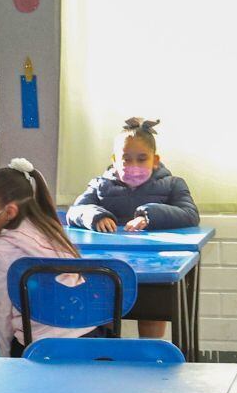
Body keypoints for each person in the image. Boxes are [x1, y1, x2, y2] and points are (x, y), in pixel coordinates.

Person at [66, 117, 198, 340]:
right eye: (126, 159)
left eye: (141, 159)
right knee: (104, 313)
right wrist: (97, 216)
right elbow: (74, 212)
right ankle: (107, 357)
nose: (133, 166)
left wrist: (149, 214)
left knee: (152, 314)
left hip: (154, 268)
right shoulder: (100, 185)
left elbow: (190, 214)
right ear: (114, 160)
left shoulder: (173, 184)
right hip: (109, 267)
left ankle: (149, 355)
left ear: (155, 160)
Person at [0, 159, 88, 355]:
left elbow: (0, 313)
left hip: (40, 349)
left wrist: (5, 360)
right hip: (88, 337)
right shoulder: (48, 230)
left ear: (9, 212)